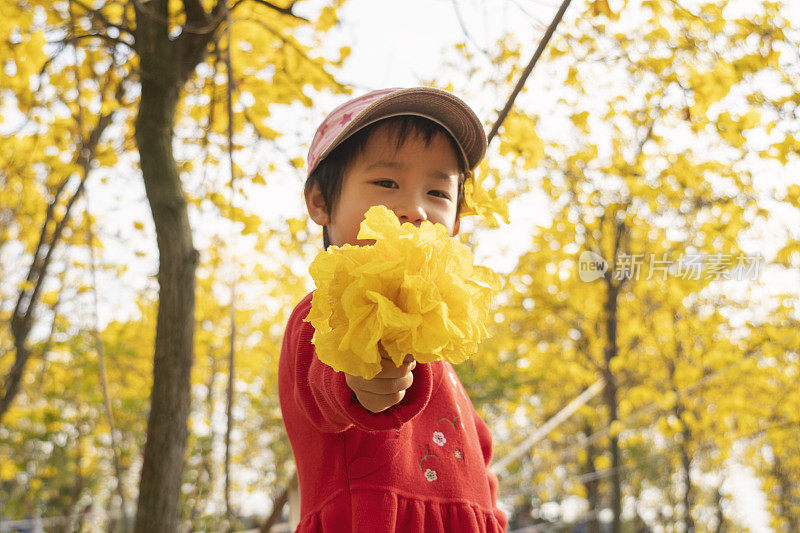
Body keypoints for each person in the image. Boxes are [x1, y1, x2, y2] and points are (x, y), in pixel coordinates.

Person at [278, 87, 508, 532]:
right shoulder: (323, 313)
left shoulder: (435, 340)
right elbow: (322, 386)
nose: (415, 209)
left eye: (439, 192)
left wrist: (493, 519)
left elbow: (479, 453)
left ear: (456, 225)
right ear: (321, 203)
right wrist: (361, 380)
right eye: (387, 183)